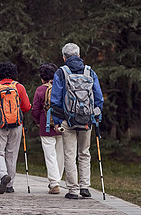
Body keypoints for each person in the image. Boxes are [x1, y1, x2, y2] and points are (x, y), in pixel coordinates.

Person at [51, 43, 104, 199]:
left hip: (68, 120)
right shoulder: (90, 72)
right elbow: (99, 97)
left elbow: (55, 99)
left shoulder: (61, 72)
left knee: (69, 154)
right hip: (87, 119)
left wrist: (57, 120)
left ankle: (73, 190)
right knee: (84, 153)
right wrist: (95, 118)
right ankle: (85, 187)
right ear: (79, 55)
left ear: (64, 57)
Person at [0, 61, 31, 194]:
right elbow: (27, 106)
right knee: (12, 154)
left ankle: (4, 175)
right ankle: (10, 185)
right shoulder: (19, 87)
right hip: (16, 124)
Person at [31, 63, 64, 195]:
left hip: (46, 126)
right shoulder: (60, 87)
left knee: (50, 156)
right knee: (60, 155)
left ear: (41, 78)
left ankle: (54, 183)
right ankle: (57, 180)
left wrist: (38, 122)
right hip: (61, 125)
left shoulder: (40, 90)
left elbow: (35, 109)